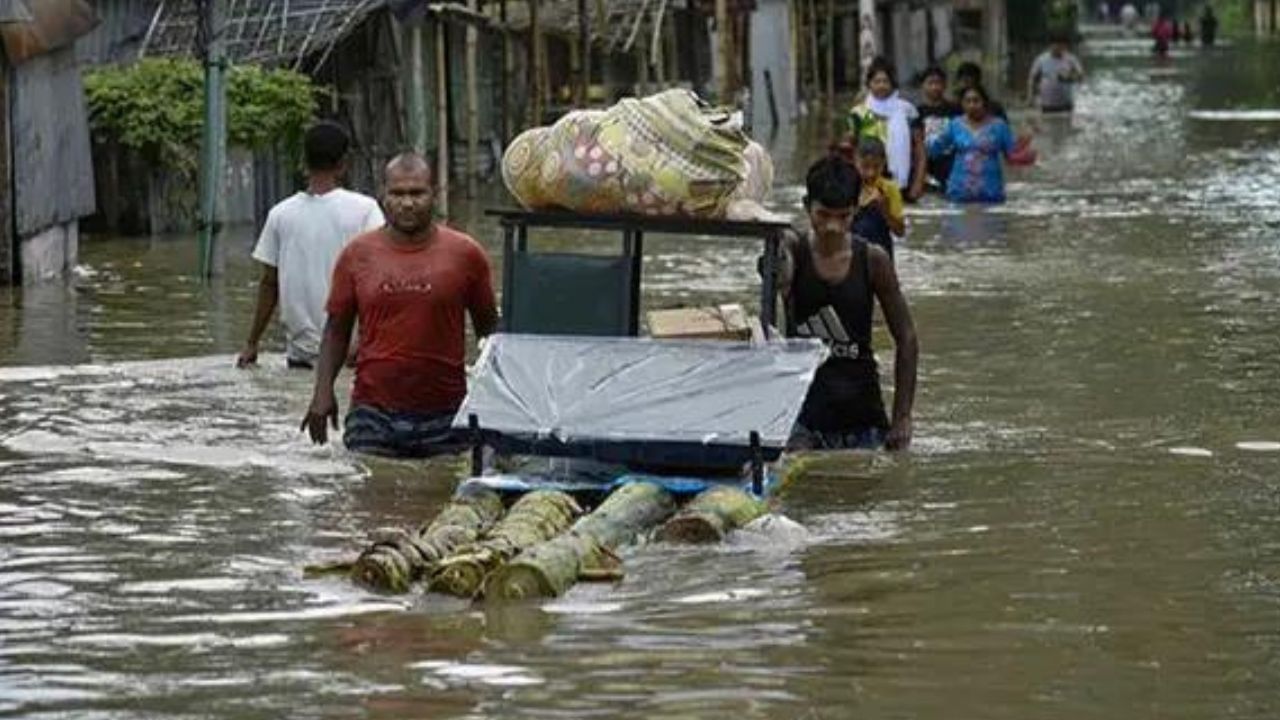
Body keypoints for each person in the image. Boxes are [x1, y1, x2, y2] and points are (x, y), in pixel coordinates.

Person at [301, 153, 499, 458]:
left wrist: (500, 402)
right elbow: (336, 330)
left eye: (417, 193)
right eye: (398, 193)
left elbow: (491, 333)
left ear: (436, 193)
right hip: (372, 414)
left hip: (447, 415)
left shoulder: (466, 254)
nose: (407, 203)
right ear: (383, 195)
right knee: (370, 497)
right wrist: (321, 393)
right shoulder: (357, 255)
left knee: (437, 499)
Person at [774, 156, 917, 451]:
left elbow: (907, 338)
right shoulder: (793, 249)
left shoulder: (873, 260)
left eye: (843, 216)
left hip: (863, 416)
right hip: (803, 419)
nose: (832, 227)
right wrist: (777, 263)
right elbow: (779, 265)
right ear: (806, 206)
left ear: (856, 210)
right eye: (823, 214)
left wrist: (902, 417)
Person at [237, 122, 384, 370]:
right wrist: (363, 338)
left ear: (304, 162)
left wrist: (252, 343)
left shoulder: (280, 214)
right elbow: (380, 280)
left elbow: (269, 285)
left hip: (299, 358)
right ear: (343, 163)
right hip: (351, 356)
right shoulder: (365, 210)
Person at [846, 57, 927, 202]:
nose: (881, 86)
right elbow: (853, 150)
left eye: (885, 81)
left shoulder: (907, 110)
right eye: (877, 81)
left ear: (893, 84)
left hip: (902, 182)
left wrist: (917, 184)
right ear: (869, 84)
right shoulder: (859, 113)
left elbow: (920, 151)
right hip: (868, 181)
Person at [928, 85, 1016, 204]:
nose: (972, 105)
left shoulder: (999, 126)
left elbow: (1012, 156)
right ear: (962, 104)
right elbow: (934, 150)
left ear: (984, 102)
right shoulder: (955, 125)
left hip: (991, 193)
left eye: (976, 101)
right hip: (959, 193)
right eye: (967, 101)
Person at [850, 138, 905, 259]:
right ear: (855, 161)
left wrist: (885, 211)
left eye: (876, 167)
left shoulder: (890, 189)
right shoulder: (849, 186)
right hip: (853, 254)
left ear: (884, 163)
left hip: (882, 253)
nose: (871, 173)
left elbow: (900, 232)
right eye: (865, 167)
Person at [916, 65, 961, 191]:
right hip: (926, 165)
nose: (935, 87)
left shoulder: (956, 110)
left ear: (945, 85)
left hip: (951, 164)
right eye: (930, 83)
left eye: (938, 83)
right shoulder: (917, 112)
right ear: (923, 86)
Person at [1027, 35, 1086, 114]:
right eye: (1057, 45)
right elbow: (1032, 79)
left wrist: (1069, 77)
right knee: (1047, 124)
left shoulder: (1071, 59)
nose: (1059, 48)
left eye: (1062, 46)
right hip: (1047, 102)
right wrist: (1030, 97)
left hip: (1066, 102)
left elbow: (1081, 77)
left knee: (1066, 125)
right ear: (1051, 45)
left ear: (1065, 46)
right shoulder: (1041, 59)